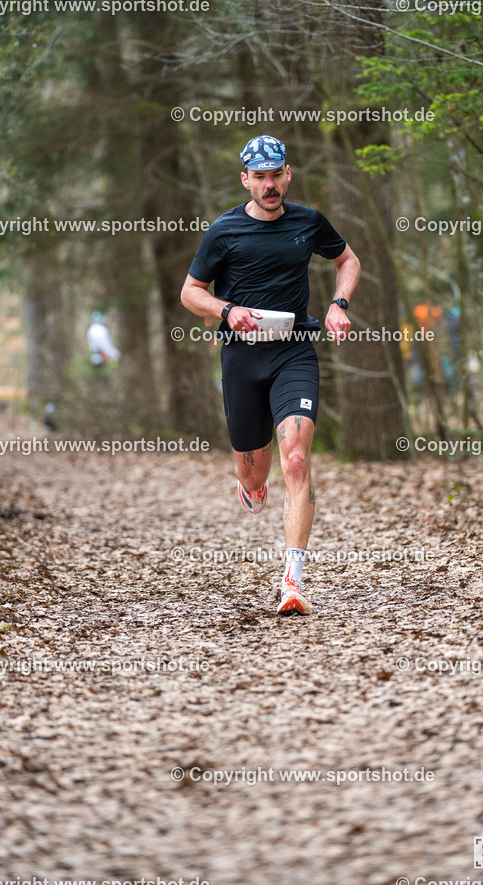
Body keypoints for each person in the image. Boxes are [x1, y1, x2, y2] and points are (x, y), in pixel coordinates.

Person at [181, 135, 360, 615]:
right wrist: (226, 310)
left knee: (297, 459)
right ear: (246, 180)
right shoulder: (224, 231)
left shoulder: (308, 222)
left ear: (287, 174)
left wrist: (339, 305)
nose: (269, 184)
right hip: (242, 358)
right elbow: (190, 292)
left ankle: (293, 583)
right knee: (255, 470)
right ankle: (251, 484)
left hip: (294, 351)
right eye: (259, 176)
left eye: (275, 174)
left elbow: (347, 259)